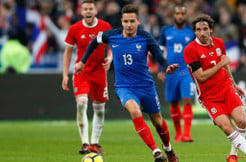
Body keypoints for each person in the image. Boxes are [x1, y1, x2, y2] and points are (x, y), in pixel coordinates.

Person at [75, 4, 179, 162]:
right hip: (124, 87)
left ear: (138, 21)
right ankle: (156, 152)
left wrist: (166, 67)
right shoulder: (111, 35)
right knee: (135, 111)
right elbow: (93, 43)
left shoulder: (145, 37)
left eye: (132, 21)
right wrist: (83, 61)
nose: (129, 25)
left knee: (158, 121)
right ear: (122, 22)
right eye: (126, 21)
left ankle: (168, 149)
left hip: (145, 85)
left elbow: (159, 55)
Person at [183, 14, 246, 162]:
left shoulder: (219, 43)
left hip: (226, 87)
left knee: (242, 121)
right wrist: (220, 64)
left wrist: (233, 83)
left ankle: (233, 154)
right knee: (227, 127)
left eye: (205, 29)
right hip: (209, 96)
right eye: (198, 30)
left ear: (211, 29)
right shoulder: (190, 50)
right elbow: (201, 77)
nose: (202, 33)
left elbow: (225, 64)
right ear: (194, 31)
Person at [62, 0, 112, 154]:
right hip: (81, 72)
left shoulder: (105, 27)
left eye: (91, 8)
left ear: (96, 11)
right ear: (81, 12)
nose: (88, 11)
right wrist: (65, 75)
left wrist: (110, 58)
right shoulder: (74, 29)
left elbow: (111, 47)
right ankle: (85, 143)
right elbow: (68, 52)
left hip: (99, 73)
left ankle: (95, 143)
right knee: (81, 104)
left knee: (100, 110)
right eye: (85, 9)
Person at [158, 4, 195, 143]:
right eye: (177, 13)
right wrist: (161, 69)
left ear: (185, 16)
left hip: (186, 70)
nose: (180, 16)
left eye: (182, 14)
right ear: (174, 15)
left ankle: (187, 134)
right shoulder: (165, 31)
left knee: (187, 99)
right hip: (171, 70)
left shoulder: (191, 32)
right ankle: (178, 134)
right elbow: (160, 51)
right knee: (173, 103)